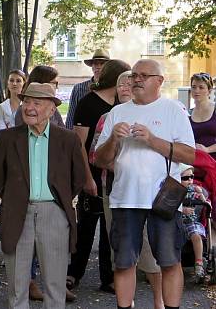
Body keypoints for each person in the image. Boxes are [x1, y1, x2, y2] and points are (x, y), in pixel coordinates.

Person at [95, 59, 195, 309]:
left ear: (159, 81)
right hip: (124, 198)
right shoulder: (117, 113)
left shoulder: (174, 110)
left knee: (170, 261)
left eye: (143, 75)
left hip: (163, 199)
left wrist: (152, 140)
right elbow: (101, 160)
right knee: (124, 262)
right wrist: (113, 142)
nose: (136, 79)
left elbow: (189, 155)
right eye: (134, 75)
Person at [0, 82, 86, 309]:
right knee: (17, 283)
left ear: (52, 109)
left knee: (54, 283)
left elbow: (78, 179)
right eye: (26, 102)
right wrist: (15, 198)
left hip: (53, 212)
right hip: (17, 213)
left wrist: (57, 199)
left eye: (37, 103)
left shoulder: (68, 139)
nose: (29, 107)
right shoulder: (8, 137)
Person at [92, 71, 165, 309]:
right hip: (115, 191)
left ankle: (159, 301)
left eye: (130, 82)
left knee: (149, 252)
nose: (126, 86)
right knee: (122, 252)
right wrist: (120, 164)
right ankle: (127, 301)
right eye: (122, 83)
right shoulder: (109, 117)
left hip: (147, 194)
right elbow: (97, 155)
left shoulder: (158, 113)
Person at [67, 59, 131, 294]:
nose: (130, 82)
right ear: (117, 77)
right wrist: (86, 178)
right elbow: (79, 144)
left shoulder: (121, 104)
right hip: (92, 173)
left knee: (109, 228)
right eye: (127, 77)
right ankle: (73, 273)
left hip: (115, 177)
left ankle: (108, 277)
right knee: (86, 226)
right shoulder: (88, 103)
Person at [179, 164, 210, 283]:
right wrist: (182, 209)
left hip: (191, 222)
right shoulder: (175, 190)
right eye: (185, 178)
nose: (190, 180)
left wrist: (201, 194)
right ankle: (175, 265)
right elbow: (169, 204)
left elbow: (203, 201)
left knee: (196, 236)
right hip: (177, 222)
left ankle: (199, 263)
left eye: (191, 177)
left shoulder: (193, 189)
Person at [66, 49, 111, 129]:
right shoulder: (79, 88)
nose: (98, 67)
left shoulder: (111, 89)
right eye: (95, 64)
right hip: (81, 130)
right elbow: (71, 115)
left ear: (108, 67)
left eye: (102, 63)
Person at [189, 72, 216, 159]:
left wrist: (207, 149)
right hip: (196, 162)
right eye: (194, 87)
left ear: (209, 90)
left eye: (201, 87)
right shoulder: (188, 113)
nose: (197, 91)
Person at [0, 69, 26, 135]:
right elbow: (0, 132)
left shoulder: (28, 105)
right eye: (11, 80)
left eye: (18, 81)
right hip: (8, 143)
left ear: (23, 84)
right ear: (8, 84)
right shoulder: (0, 107)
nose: (14, 83)